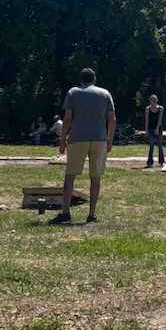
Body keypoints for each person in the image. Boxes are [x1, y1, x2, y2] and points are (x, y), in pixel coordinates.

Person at [50, 68, 116, 225]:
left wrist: (62, 139)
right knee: (95, 178)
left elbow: (67, 118)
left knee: (70, 176)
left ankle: (65, 212)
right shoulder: (105, 94)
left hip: (78, 138)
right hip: (99, 139)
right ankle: (91, 214)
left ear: (81, 80)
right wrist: (109, 140)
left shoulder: (73, 92)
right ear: (95, 80)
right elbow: (112, 119)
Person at [144, 94, 165, 168]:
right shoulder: (147, 109)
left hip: (158, 128)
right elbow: (147, 120)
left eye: (155, 100)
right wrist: (146, 130)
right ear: (150, 101)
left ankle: (161, 161)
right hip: (150, 129)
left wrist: (157, 128)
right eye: (153, 100)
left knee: (160, 145)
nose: (154, 101)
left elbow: (160, 119)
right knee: (151, 145)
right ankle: (150, 162)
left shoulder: (160, 108)